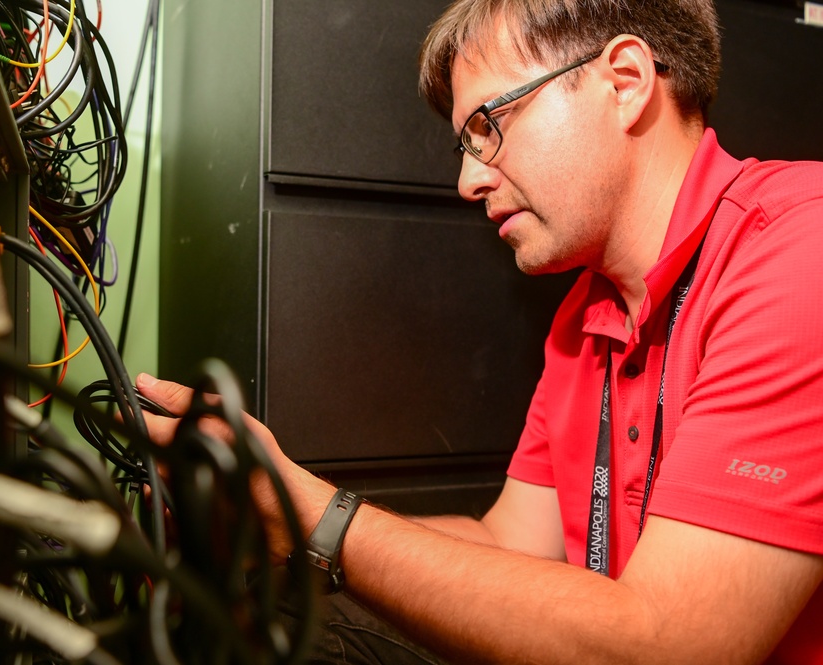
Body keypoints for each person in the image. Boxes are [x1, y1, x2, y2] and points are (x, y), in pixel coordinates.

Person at [136, 0, 823, 662]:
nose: (467, 179)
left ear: (625, 82)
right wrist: (278, 525)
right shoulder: (581, 319)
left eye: (488, 125)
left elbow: (669, 644)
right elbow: (508, 543)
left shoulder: (802, 248)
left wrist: (322, 518)